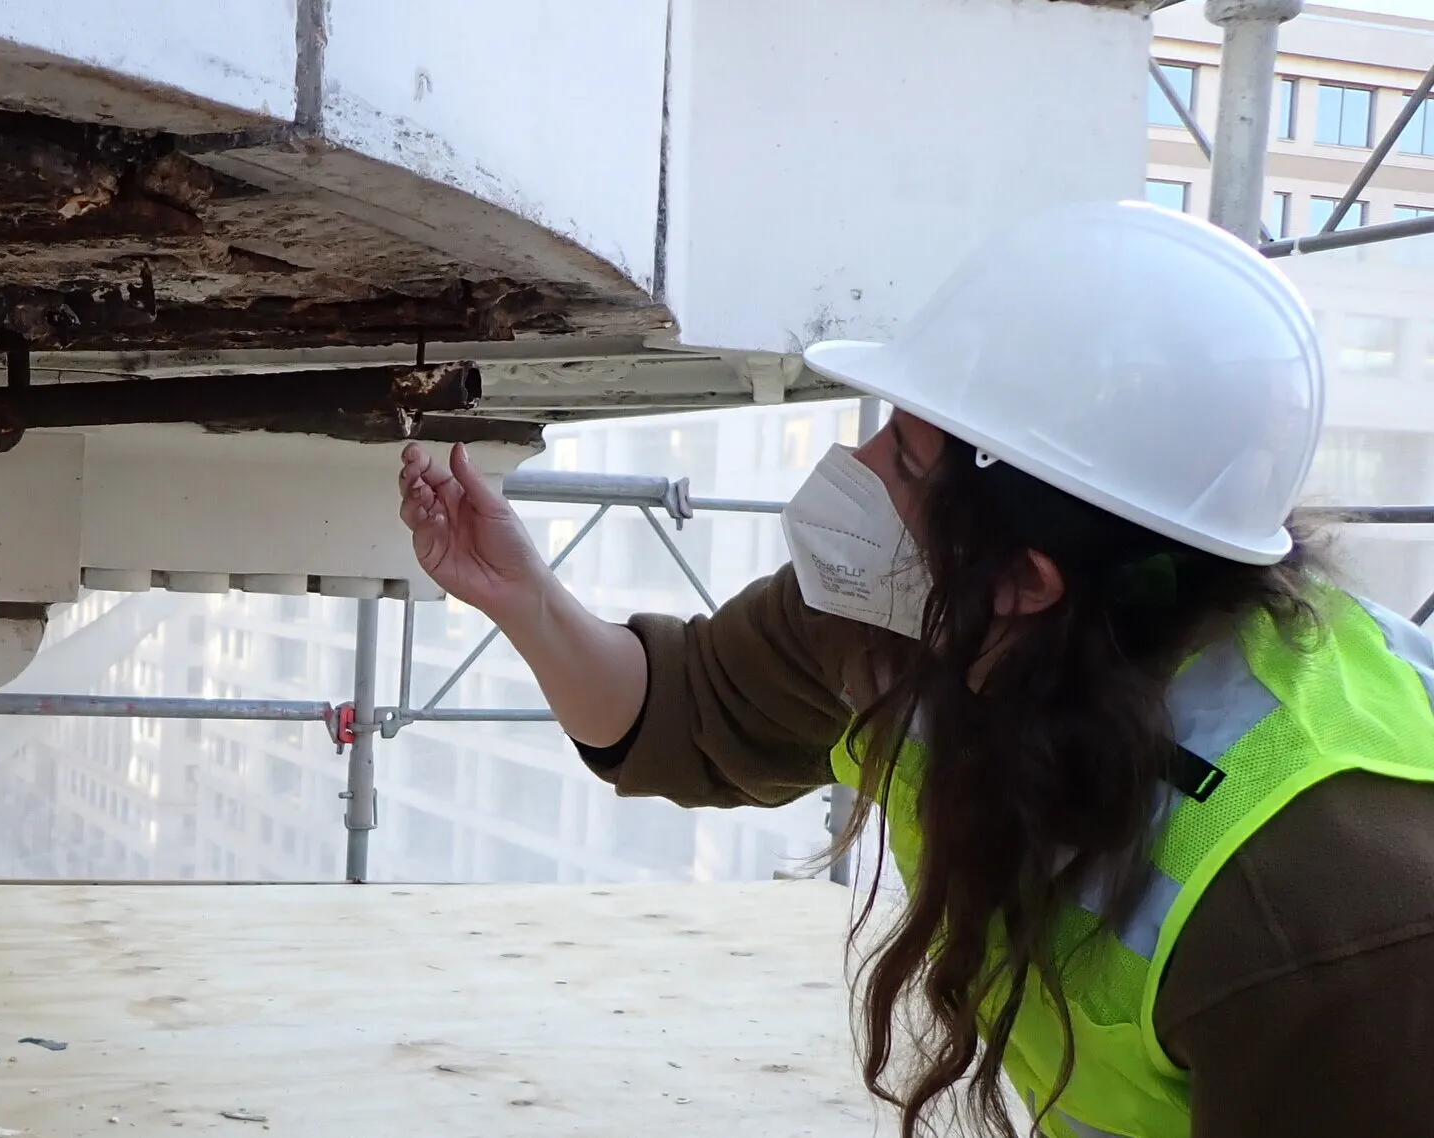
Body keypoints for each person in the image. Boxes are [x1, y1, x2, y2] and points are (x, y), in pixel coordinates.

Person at [395, 201, 1434, 1138]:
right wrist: (526, 600)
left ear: (1025, 578)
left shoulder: (1318, 909)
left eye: (901, 453)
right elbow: (681, 712)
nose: (853, 473)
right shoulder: (929, 613)